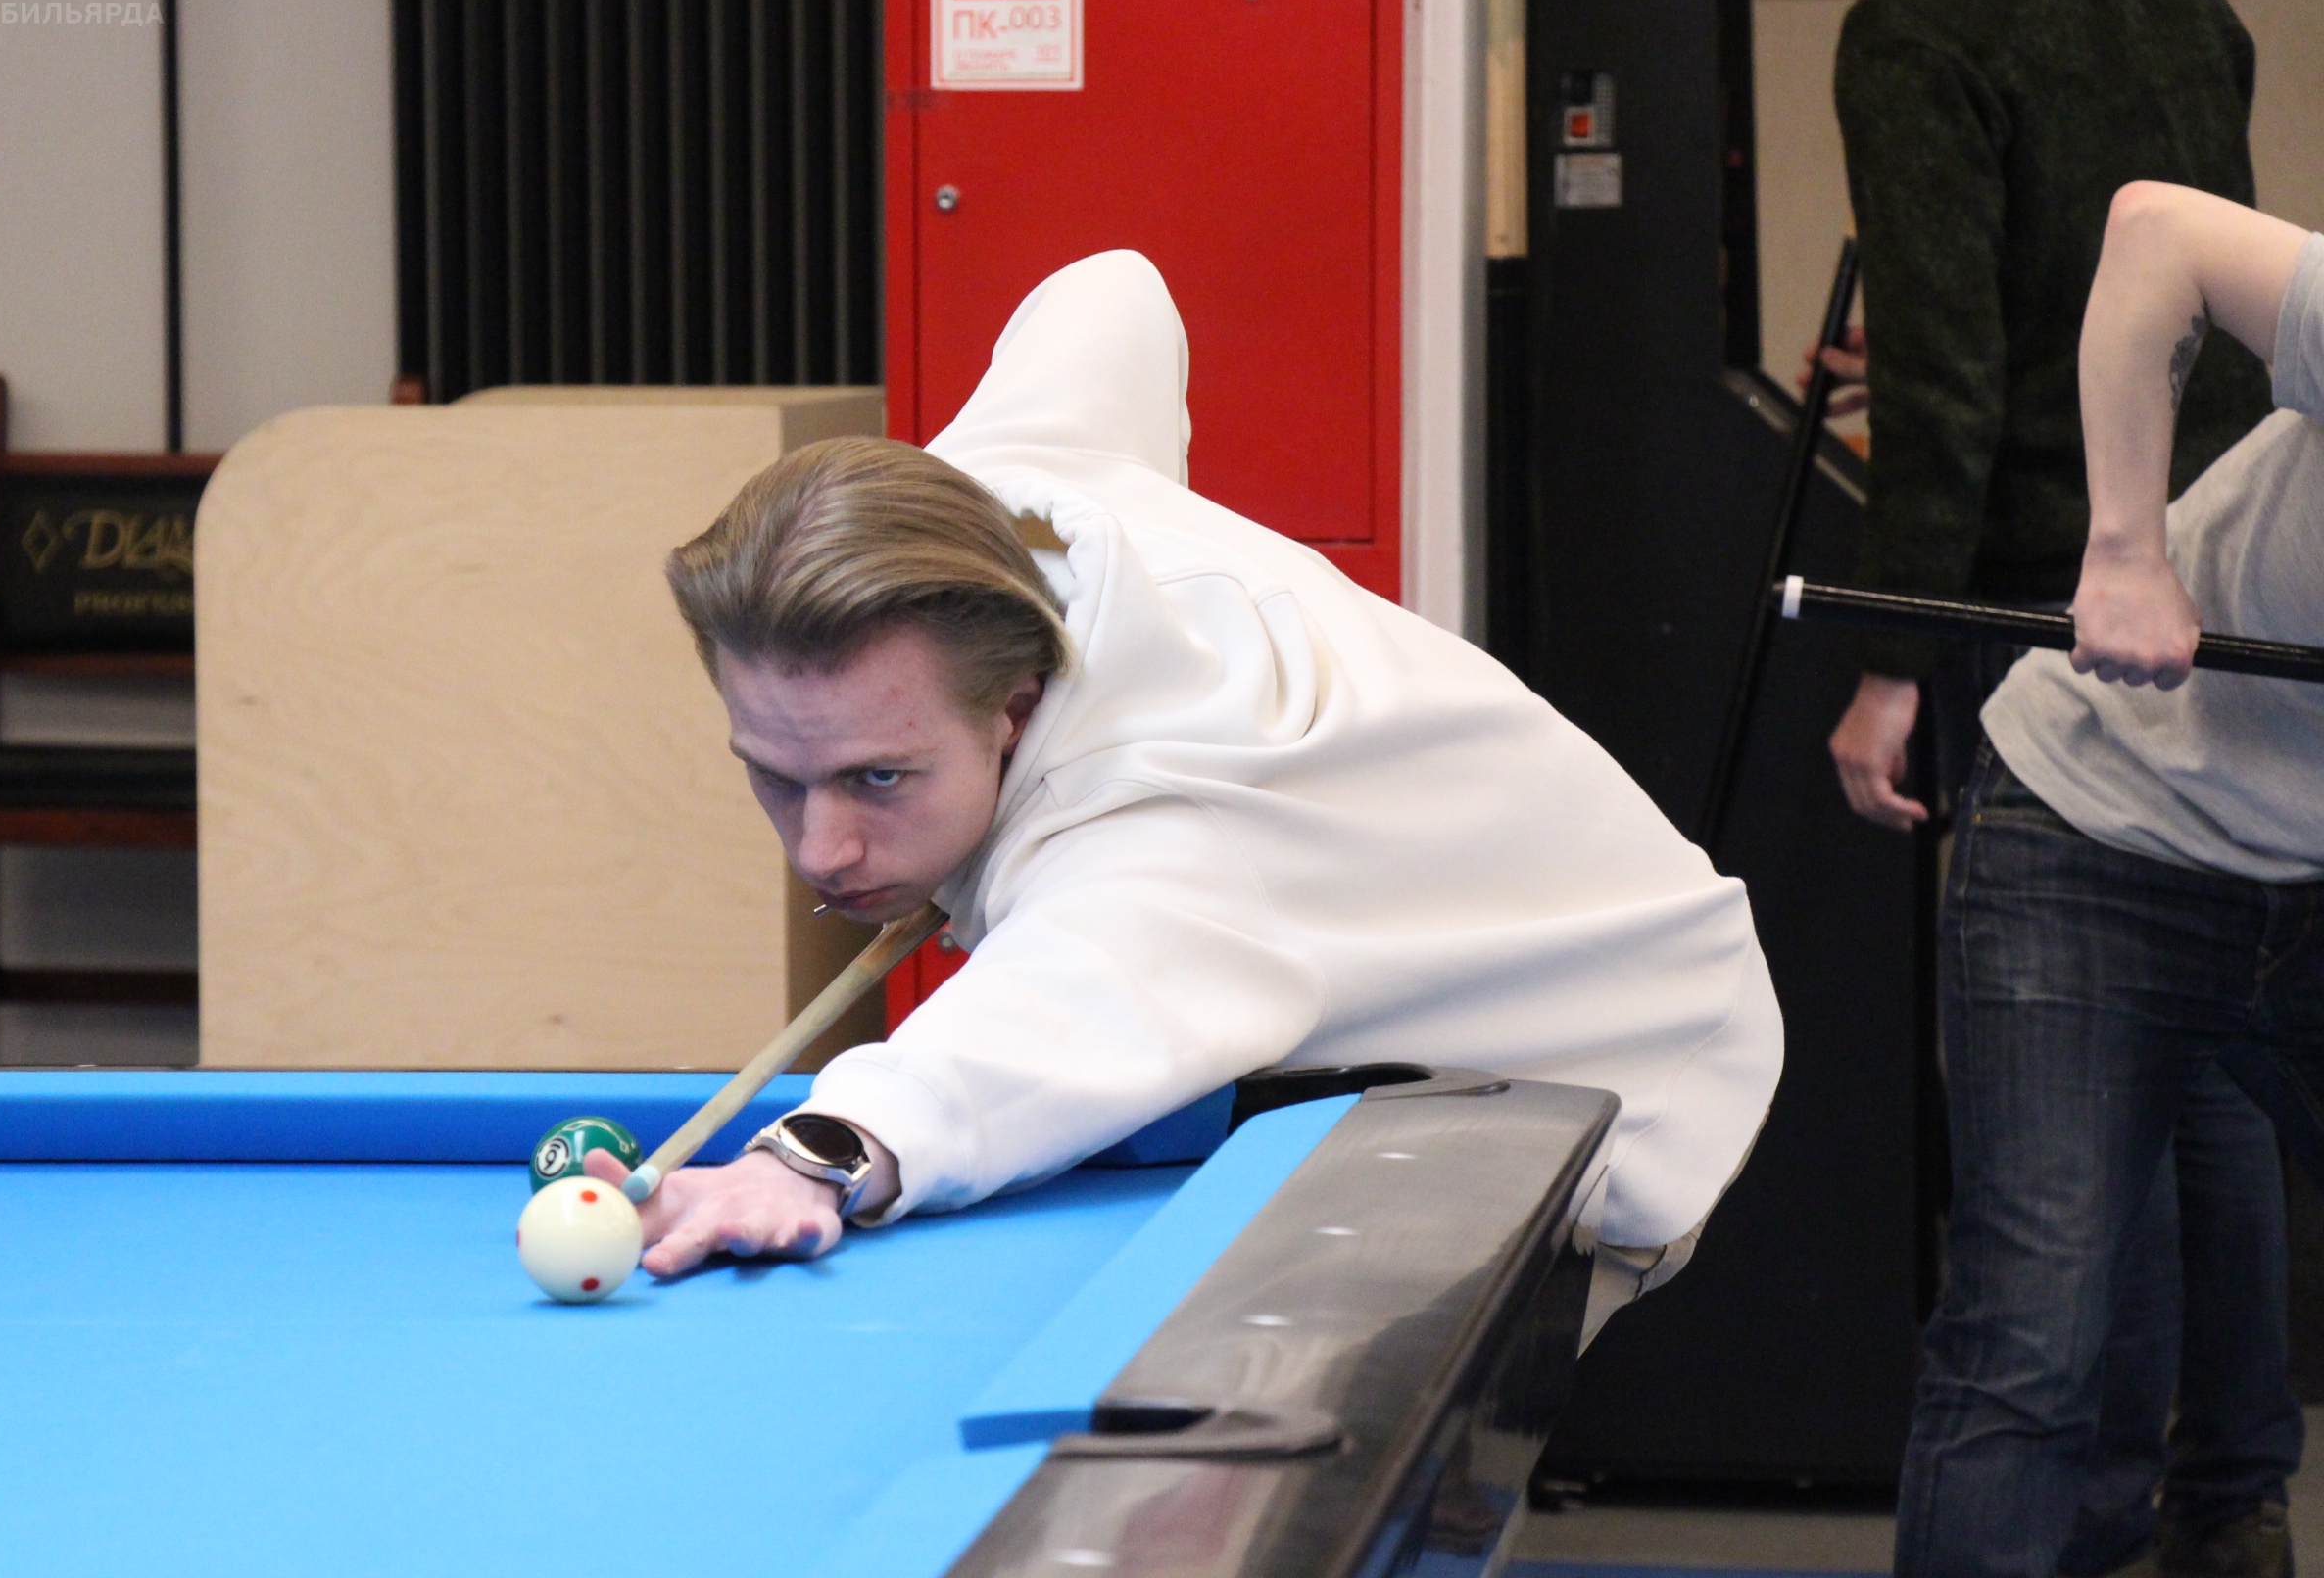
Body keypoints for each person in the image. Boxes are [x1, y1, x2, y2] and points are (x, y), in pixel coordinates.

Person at [599, 251, 1784, 1342]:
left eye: (879, 778)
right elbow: (1112, 291)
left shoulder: (1167, 818)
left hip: (1615, 1059)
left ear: (1014, 706)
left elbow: (1052, 1011)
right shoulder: (1011, 493)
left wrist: (813, 1157)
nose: (823, 848)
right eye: (776, 774)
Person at [1816, 0, 2295, 1572]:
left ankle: (2126, 1510)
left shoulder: (1919, 21)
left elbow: (1948, 379)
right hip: (2197, 596)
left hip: (2080, 621)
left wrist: (1890, 658)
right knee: (2197, 1099)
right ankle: (2222, 1500)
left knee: (2115, 1106)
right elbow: (2178, 294)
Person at [1898, 183, 2322, 1578]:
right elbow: (2155, 230)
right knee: (2033, 1338)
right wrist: (2126, 552)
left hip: (2309, 875)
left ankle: (2229, 1510)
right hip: (2099, 833)